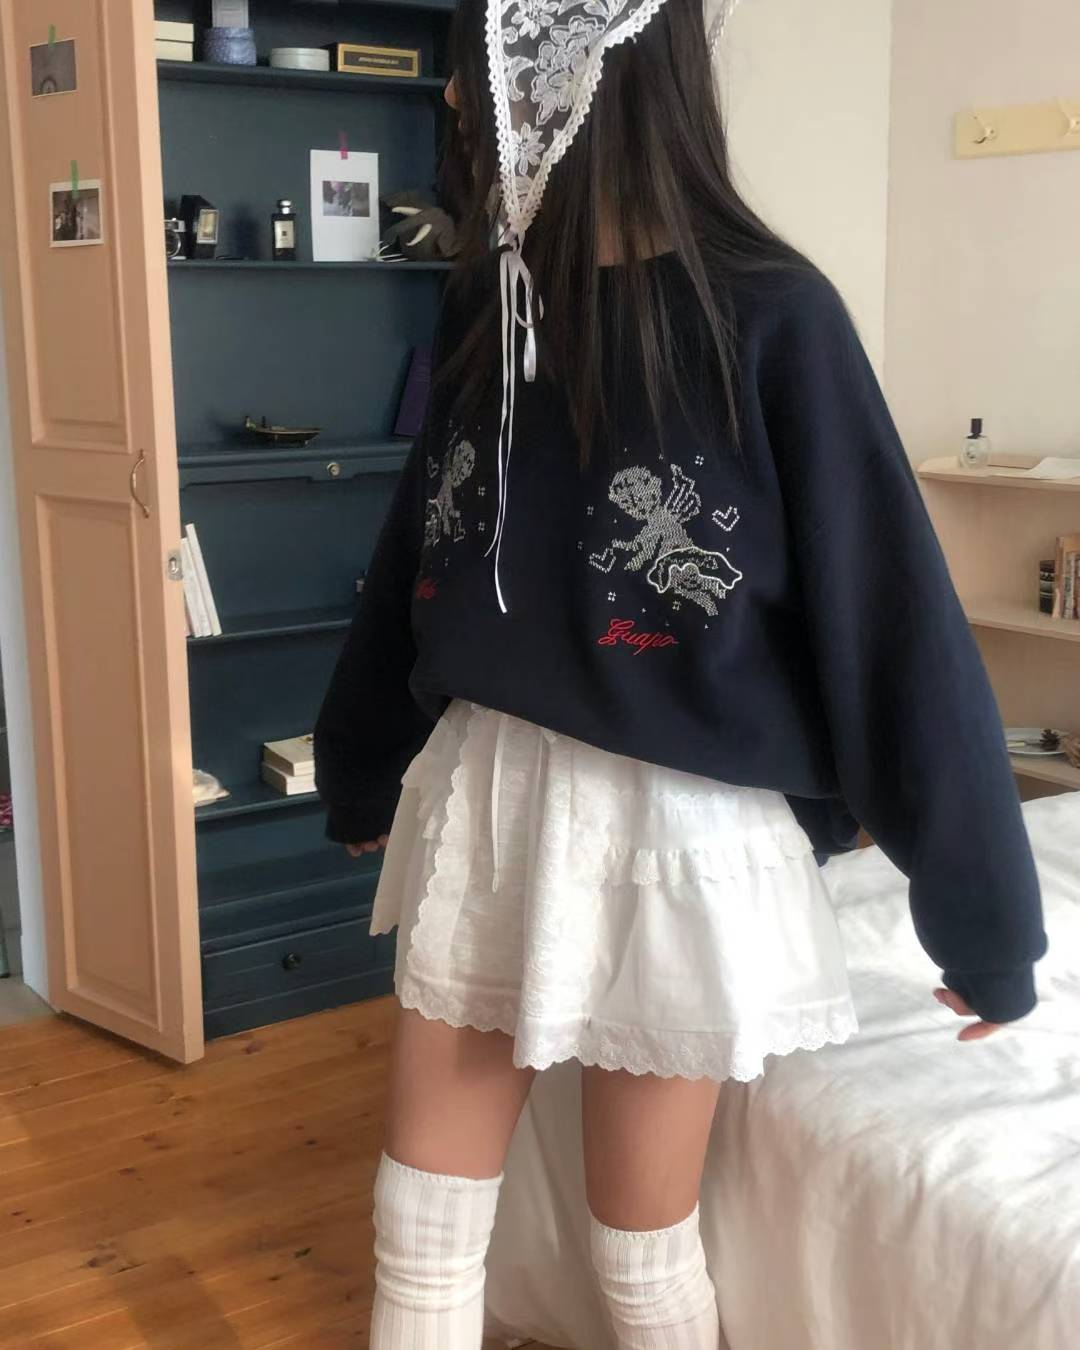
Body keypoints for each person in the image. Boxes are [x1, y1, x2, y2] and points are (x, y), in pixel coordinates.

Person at [313, 0, 1048, 1344]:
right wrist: (359, 763)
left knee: (639, 1255)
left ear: (571, 68)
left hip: (680, 832)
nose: (464, 102)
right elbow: (421, 548)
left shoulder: (771, 316)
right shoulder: (492, 300)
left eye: (481, 68)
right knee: (422, 1234)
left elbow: (889, 623)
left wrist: (984, 921)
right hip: (503, 799)